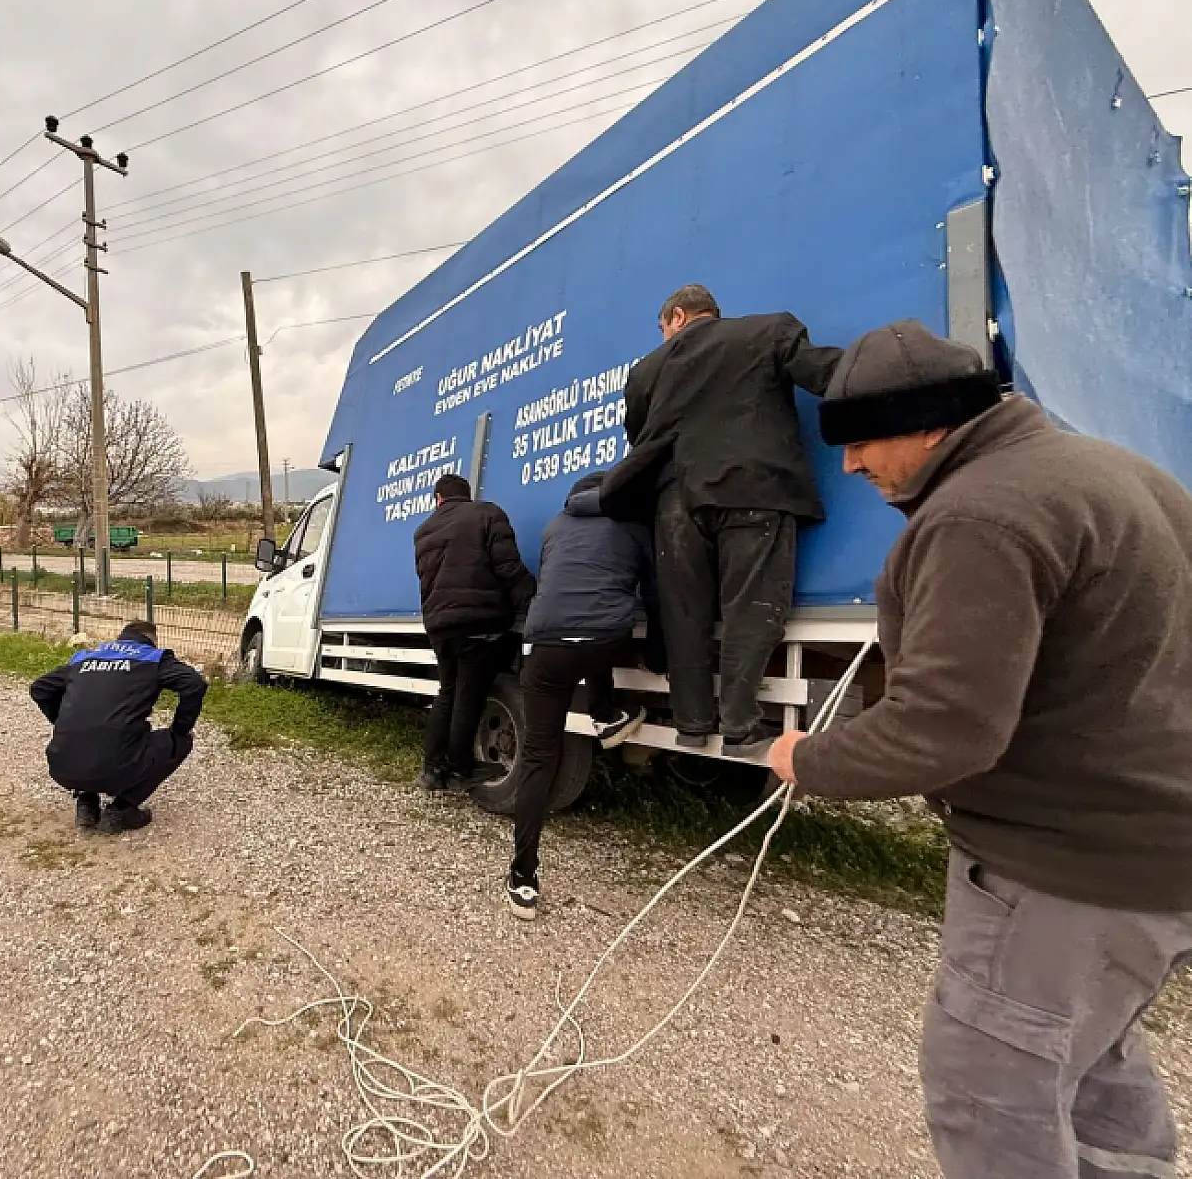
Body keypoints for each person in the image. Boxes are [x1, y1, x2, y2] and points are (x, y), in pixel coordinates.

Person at [768, 320, 1192, 1179]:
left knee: (990, 1101)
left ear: (928, 423)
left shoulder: (980, 514)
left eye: (861, 441)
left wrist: (807, 759)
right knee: (1092, 1067)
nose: (851, 467)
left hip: (1061, 875)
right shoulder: (1124, 473)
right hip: (1154, 865)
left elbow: (945, 728)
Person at [602, 284, 842, 757]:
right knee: (750, 608)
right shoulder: (769, 330)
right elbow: (825, 374)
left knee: (683, 616)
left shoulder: (646, 370)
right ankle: (739, 725)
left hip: (675, 501)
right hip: (753, 490)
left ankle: (692, 724)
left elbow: (640, 438)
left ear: (675, 317)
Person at [504, 471, 660, 920]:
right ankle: (606, 713)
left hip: (545, 647)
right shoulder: (634, 526)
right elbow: (651, 592)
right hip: (601, 642)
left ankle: (523, 880)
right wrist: (658, 654)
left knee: (538, 758)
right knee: (600, 638)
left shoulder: (554, 527)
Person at [413, 473, 536, 792]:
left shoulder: (423, 531)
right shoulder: (487, 514)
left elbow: (427, 582)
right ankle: (460, 769)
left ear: (438, 499)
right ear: (466, 496)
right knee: (469, 693)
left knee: (448, 692)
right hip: (478, 623)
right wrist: (534, 602)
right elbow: (508, 567)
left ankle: (432, 769)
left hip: (440, 626)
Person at [29, 620, 207, 835]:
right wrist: (181, 727)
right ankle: (123, 808)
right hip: (117, 763)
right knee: (182, 740)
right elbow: (194, 683)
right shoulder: (152, 657)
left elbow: (39, 688)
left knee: (90, 737)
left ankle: (86, 801)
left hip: (62, 766)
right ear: (152, 640)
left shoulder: (86, 657)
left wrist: (63, 722)